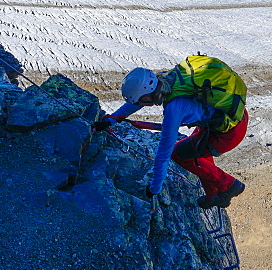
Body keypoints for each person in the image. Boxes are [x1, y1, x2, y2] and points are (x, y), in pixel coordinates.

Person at [94, 55, 248, 209]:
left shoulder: (174, 109)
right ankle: (213, 195)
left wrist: (155, 187)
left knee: (179, 154)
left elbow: (164, 153)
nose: (142, 104)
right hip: (234, 116)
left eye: (142, 101)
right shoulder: (165, 78)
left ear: (147, 96)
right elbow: (136, 102)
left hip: (227, 135)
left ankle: (228, 185)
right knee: (197, 147)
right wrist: (112, 119)